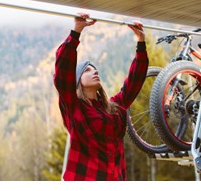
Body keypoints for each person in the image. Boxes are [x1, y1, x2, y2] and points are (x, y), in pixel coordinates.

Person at [53, 12, 149, 181]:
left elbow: (134, 82)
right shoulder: (73, 106)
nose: (95, 72)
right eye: (87, 70)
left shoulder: (113, 106)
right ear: (77, 81)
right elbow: (63, 71)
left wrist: (141, 42)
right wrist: (76, 31)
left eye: (95, 69)